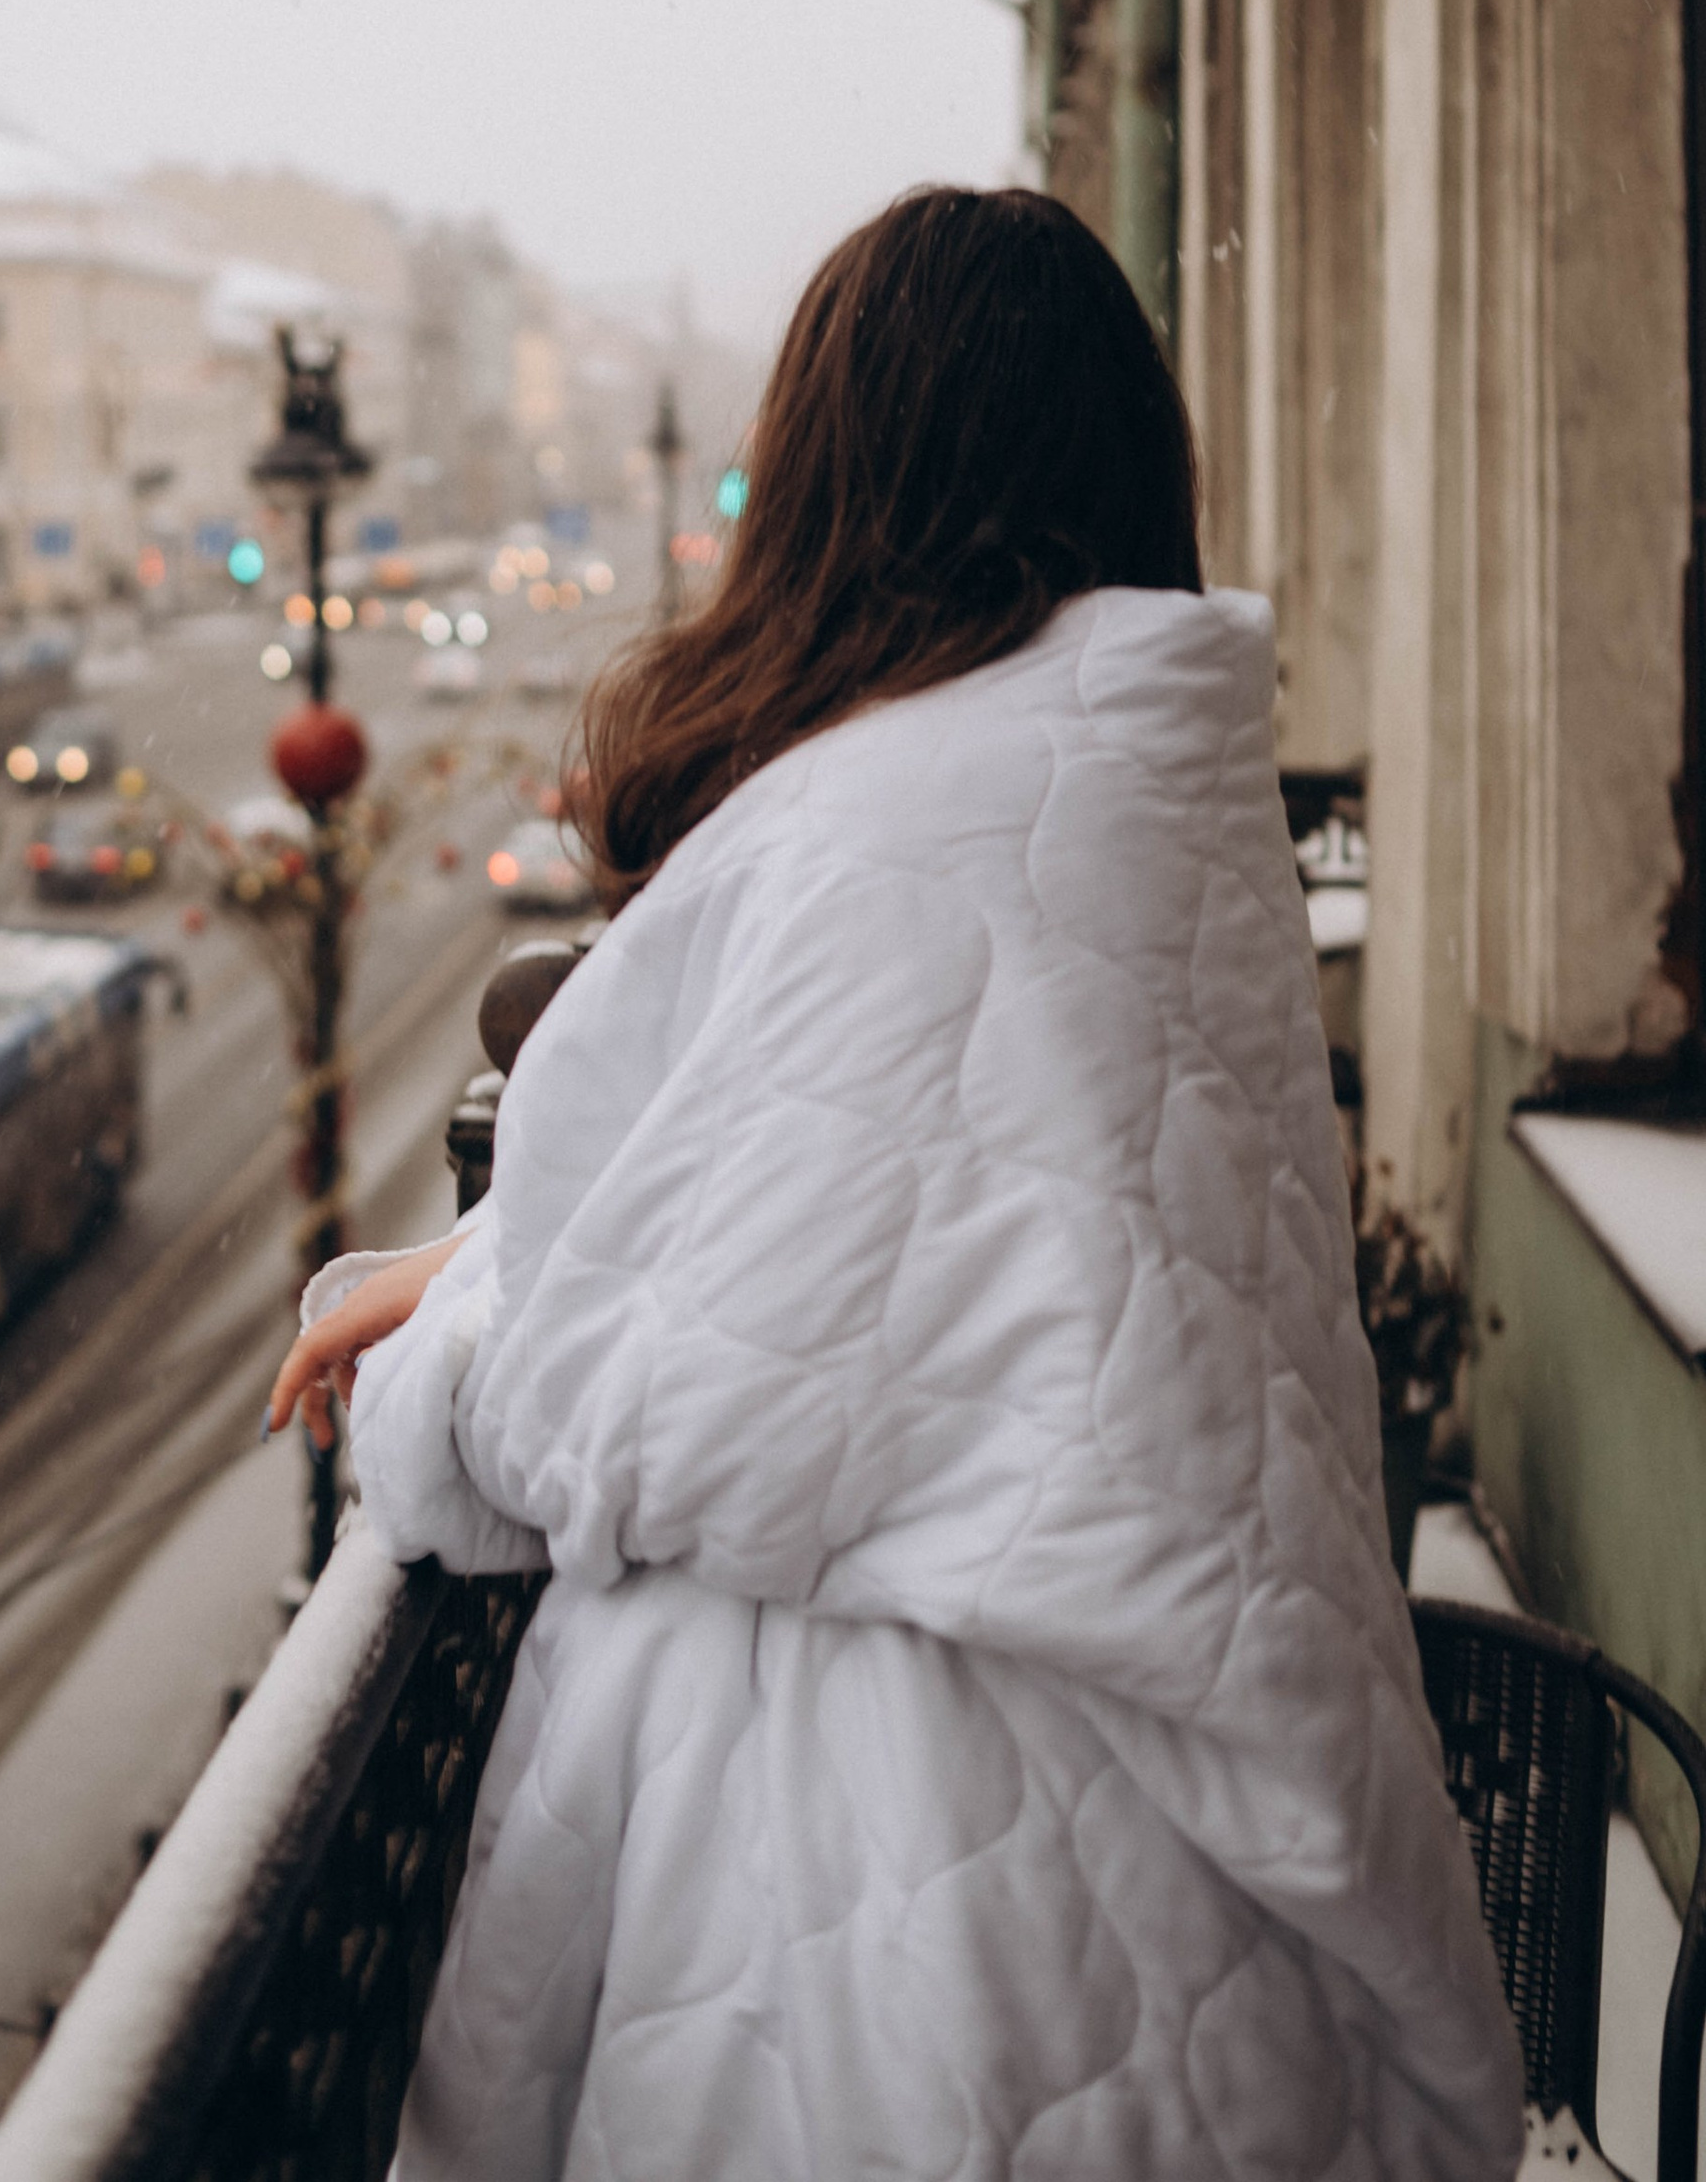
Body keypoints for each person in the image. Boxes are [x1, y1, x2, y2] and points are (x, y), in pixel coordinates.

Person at [265, 186, 1525, 2182]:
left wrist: (449, 1353)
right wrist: (497, 1254)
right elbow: (891, 1244)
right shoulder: (1124, 791)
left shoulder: (889, 820)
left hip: (899, 1894)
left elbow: (670, 1399)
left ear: (836, 469)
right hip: (1149, 1847)